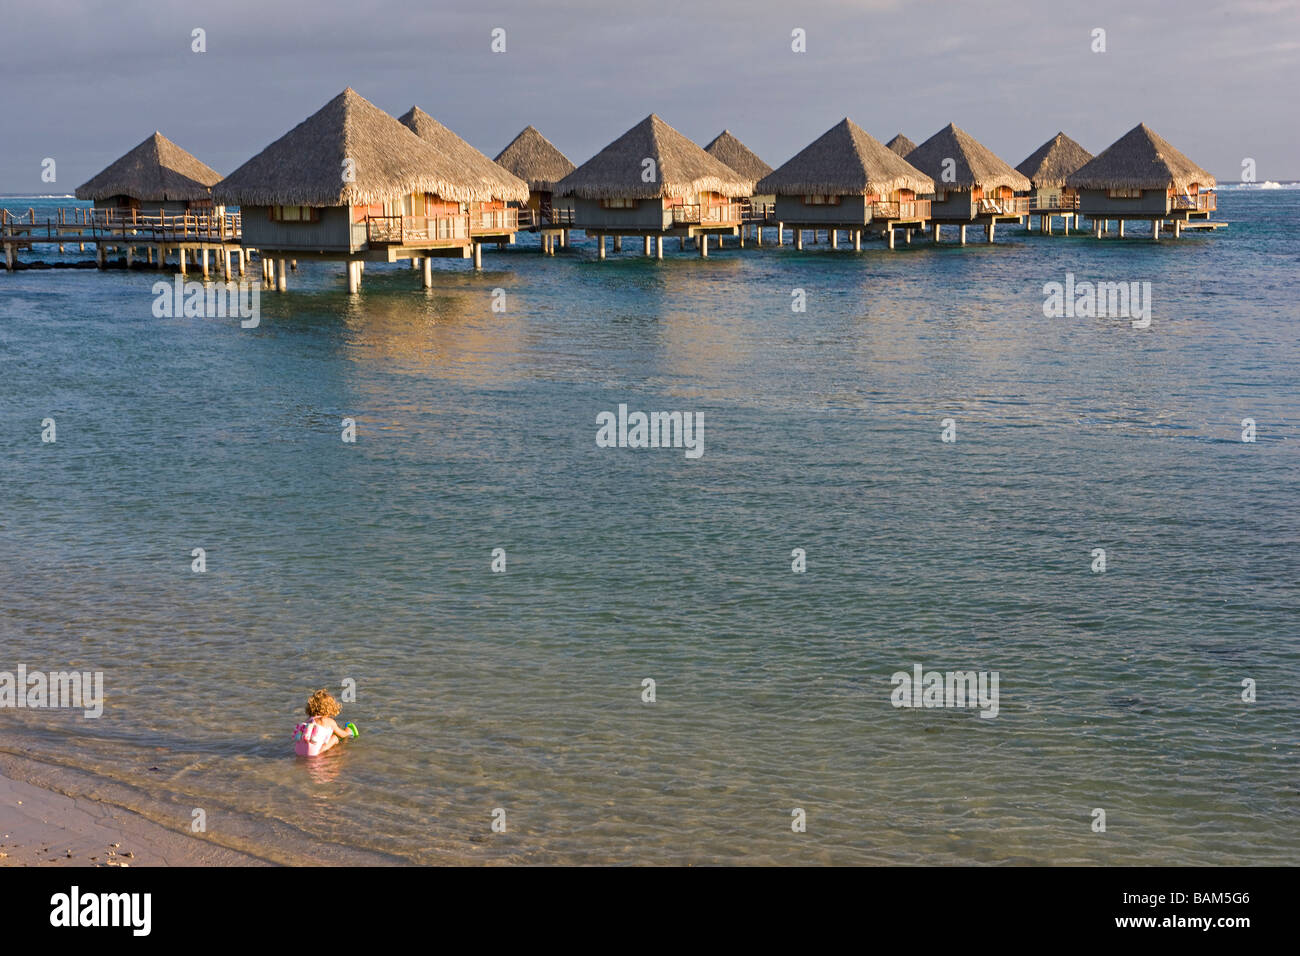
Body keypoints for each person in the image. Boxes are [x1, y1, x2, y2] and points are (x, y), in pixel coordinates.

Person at [294, 688, 354, 757]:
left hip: (298, 751)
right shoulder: (329, 721)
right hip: (314, 754)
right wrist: (347, 730)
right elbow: (342, 735)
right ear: (330, 708)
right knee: (335, 738)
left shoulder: (308, 720)